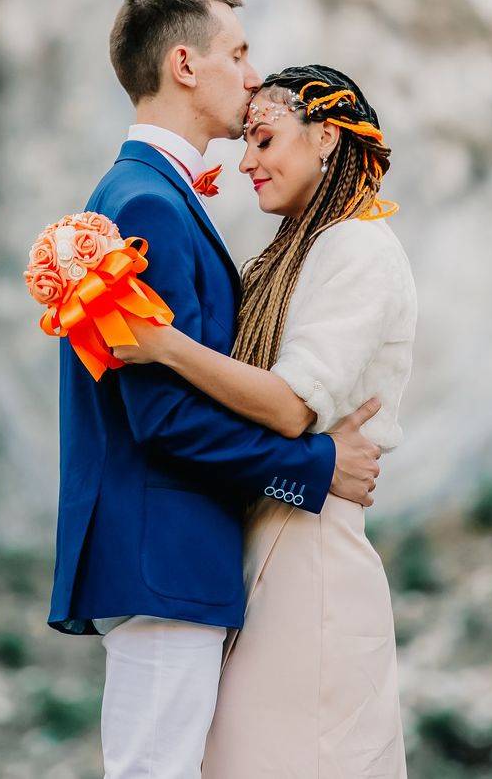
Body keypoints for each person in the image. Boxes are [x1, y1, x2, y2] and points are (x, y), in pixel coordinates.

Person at [46, 0, 384, 779]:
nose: (252, 73)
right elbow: (162, 416)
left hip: (164, 553)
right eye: (237, 53)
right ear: (185, 65)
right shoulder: (147, 205)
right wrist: (317, 466)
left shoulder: (142, 194)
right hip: (164, 552)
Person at [114, 64, 418, 778]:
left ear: (326, 138)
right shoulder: (295, 250)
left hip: (310, 554)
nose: (246, 161)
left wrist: (165, 345)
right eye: (245, 142)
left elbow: (288, 404)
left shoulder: (357, 248)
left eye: (265, 140)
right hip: (267, 534)